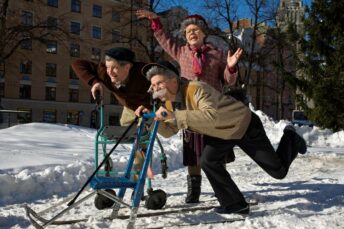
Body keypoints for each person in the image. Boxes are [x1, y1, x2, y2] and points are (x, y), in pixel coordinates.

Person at [135, 61, 307, 215]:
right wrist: (149, 120)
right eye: (153, 85)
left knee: (278, 172)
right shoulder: (170, 103)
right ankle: (235, 204)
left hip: (243, 124)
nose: (155, 88)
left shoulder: (196, 89)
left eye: (159, 83)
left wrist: (175, 115)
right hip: (219, 133)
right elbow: (169, 131)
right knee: (208, 161)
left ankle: (290, 137)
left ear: (173, 80)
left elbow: (212, 116)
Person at [136, 10, 243, 203]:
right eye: (187, 32)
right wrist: (156, 22)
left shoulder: (217, 55)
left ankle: (224, 189)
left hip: (211, 109)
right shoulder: (181, 51)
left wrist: (231, 67)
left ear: (203, 32)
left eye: (194, 30)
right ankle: (194, 191)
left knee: (215, 151)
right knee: (193, 152)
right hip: (189, 109)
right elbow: (164, 40)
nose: (191, 33)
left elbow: (228, 81)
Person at [72, 47, 151, 186]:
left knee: (141, 141)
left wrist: (151, 107)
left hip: (147, 109)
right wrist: (94, 82)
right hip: (129, 108)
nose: (110, 72)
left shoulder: (144, 73)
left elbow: (165, 80)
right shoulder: (105, 73)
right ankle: (125, 172)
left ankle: (140, 182)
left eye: (114, 68)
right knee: (130, 139)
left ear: (127, 67)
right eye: (108, 67)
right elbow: (78, 63)